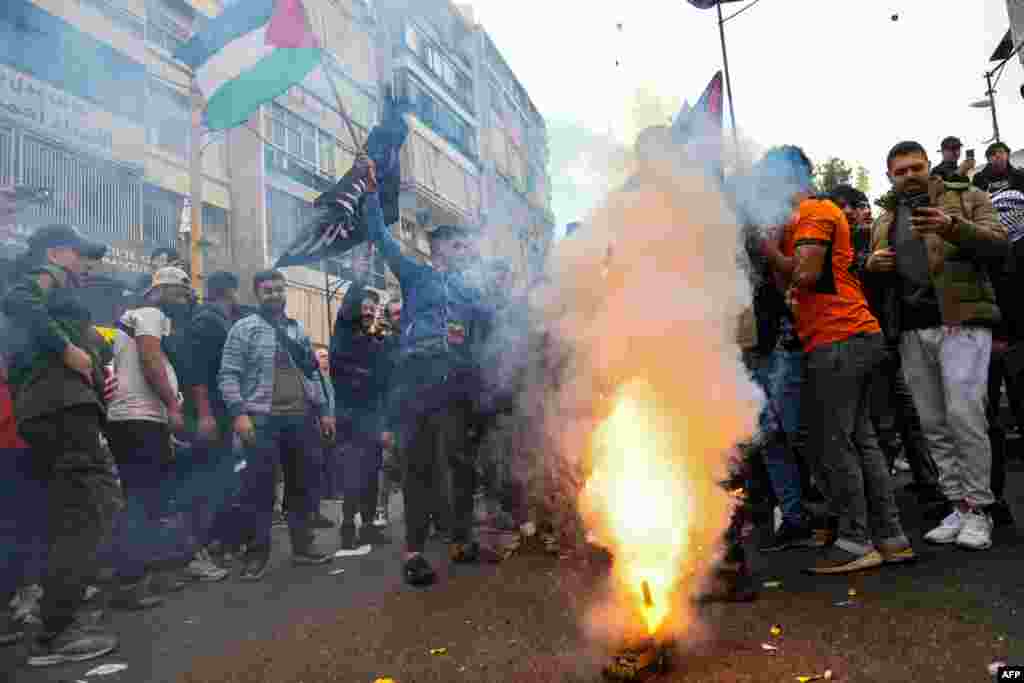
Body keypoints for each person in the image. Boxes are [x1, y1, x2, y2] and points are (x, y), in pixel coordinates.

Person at [760, 146, 913, 575]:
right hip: (848, 338)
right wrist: (776, 247)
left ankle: (854, 541)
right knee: (861, 441)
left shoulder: (814, 211)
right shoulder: (804, 218)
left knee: (838, 444)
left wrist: (768, 247)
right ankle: (891, 537)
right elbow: (791, 282)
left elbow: (804, 274)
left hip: (839, 340)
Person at [865, 140, 1007, 550]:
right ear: (889, 176)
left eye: (916, 167)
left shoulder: (968, 197)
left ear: (929, 166)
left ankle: (980, 511)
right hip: (911, 330)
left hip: (960, 321)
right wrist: (869, 264)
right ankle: (958, 505)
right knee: (933, 423)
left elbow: (999, 244)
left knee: (966, 417)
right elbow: (872, 270)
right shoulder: (886, 216)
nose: (909, 175)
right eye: (900, 171)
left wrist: (951, 226)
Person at [361, 159, 491, 586]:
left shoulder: (470, 293)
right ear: (437, 251)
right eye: (456, 246)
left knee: (460, 464)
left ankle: (459, 541)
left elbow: (492, 326)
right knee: (421, 466)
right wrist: (371, 193)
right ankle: (414, 552)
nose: (464, 252)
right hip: (419, 378)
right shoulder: (416, 274)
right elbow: (381, 237)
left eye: (465, 246)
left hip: (456, 381)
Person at [2, 224, 123, 666]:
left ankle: (55, 618)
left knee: (73, 512)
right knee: (87, 509)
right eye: (78, 255)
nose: (84, 265)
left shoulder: (60, 294)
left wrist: (92, 362)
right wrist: (67, 348)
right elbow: (18, 301)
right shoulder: (40, 279)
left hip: (59, 411)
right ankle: (56, 632)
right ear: (55, 254)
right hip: (59, 412)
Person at [218, 270, 335, 581]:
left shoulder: (297, 330)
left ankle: (302, 546)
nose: (275, 295)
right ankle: (257, 555)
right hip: (262, 419)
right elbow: (228, 375)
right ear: (257, 293)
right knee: (258, 490)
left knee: (304, 485)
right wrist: (239, 414)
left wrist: (324, 411)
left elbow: (313, 374)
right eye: (268, 290)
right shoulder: (244, 329)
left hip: (301, 418)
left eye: (279, 290)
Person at [105, 266, 210, 608]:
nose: (183, 300)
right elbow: (150, 358)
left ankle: (141, 577)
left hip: (140, 420)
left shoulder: (151, 318)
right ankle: (129, 583)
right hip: (138, 420)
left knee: (148, 499)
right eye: (178, 293)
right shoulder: (149, 313)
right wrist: (172, 406)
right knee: (142, 501)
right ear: (159, 291)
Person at [178, 270, 245, 575]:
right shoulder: (207, 322)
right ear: (230, 292)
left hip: (221, 413)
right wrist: (205, 413)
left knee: (223, 479)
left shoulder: (216, 320)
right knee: (209, 481)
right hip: (210, 414)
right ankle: (201, 550)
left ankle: (218, 544)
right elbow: (198, 373)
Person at [329, 283, 392, 548]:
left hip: (372, 416)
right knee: (353, 473)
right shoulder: (343, 335)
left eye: (372, 308)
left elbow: (384, 380)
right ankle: (347, 525)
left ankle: (367, 526)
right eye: (363, 307)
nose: (368, 312)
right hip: (350, 416)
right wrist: (358, 275)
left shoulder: (376, 340)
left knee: (370, 473)